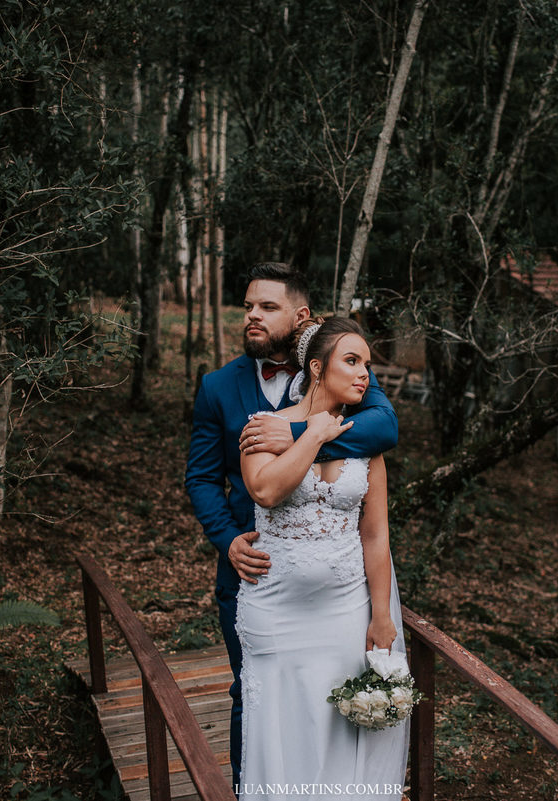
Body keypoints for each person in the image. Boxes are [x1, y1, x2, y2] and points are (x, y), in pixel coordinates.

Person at [184, 263, 398, 789]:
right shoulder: (218, 387)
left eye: (267, 307)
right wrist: (227, 539)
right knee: (253, 701)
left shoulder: (345, 374)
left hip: (341, 600)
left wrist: (301, 433)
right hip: (253, 575)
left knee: (334, 714)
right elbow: (203, 478)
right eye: (249, 306)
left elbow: (385, 429)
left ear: (300, 316)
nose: (252, 316)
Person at [235, 316, 408, 800]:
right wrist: (309, 434)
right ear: (315, 368)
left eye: (368, 364)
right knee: (281, 727)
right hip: (274, 611)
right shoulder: (263, 428)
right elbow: (266, 490)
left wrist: (380, 615)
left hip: (345, 613)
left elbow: (375, 537)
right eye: (351, 361)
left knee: (339, 730)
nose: (365, 375)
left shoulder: (367, 442)